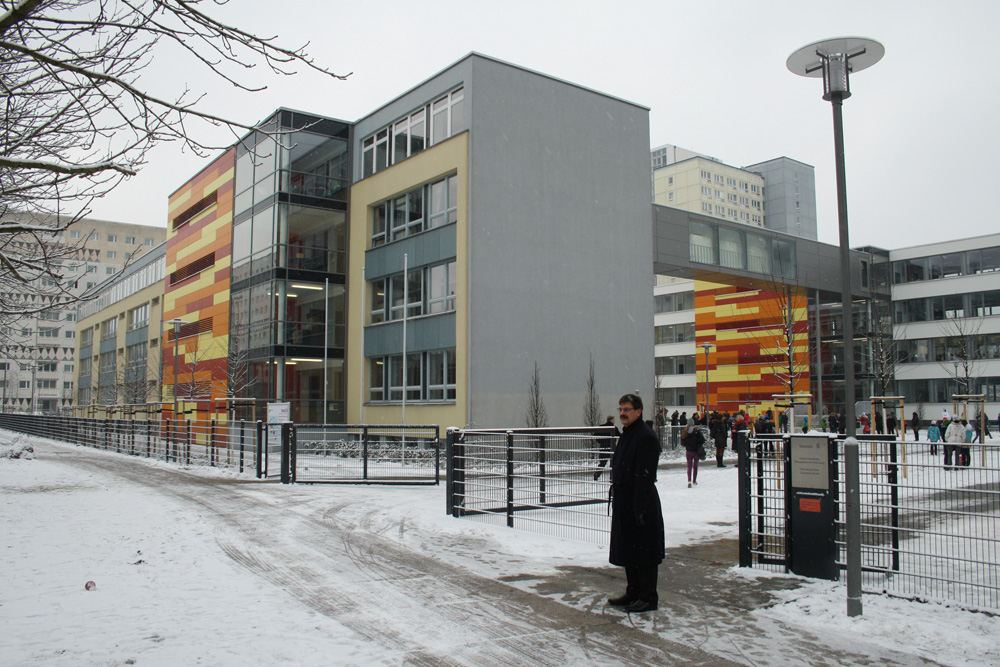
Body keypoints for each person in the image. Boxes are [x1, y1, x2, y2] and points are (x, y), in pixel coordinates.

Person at [607, 394, 664, 614]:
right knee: (629, 548)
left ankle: (648, 597)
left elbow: (645, 476)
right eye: (621, 408)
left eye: (627, 409)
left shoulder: (645, 436)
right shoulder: (628, 434)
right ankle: (634, 591)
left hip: (642, 503)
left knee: (645, 550)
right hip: (625, 501)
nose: (622, 413)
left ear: (638, 412)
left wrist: (639, 507)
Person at [593, 415, 618, 481]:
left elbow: (595, 435)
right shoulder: (614, 428)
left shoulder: (601, 427)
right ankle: (612, 477)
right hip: (612, 447)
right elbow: (620, 436)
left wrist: (601, 441)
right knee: (613, 462)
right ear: (612, 420)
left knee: (602, 463)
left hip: (603, 447)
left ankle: (597, 474)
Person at [681, 416, 701, 487]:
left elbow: (682, 442)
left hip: (688, 451)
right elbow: (702, 440)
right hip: (696, 451)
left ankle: (689, 480)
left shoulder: (685, 432)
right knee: (695, 466)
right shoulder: (696, 432)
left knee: (689, 467)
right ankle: (694, 480)